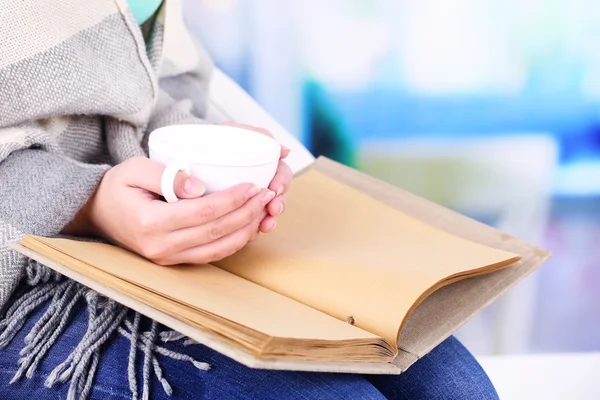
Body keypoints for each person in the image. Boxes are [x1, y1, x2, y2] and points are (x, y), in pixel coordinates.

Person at [0, 0, 499, 398]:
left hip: (143, 231)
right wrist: (85, 202)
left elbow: (146, 84)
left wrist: (205, 151)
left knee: (458, 389)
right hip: (23, 270)